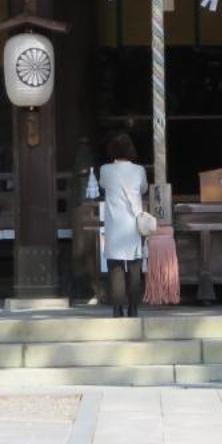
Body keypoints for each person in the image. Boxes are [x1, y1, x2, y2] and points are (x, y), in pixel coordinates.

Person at [97, 131, 149, 318]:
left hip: (114, 225)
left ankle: (117, 308)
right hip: (133, 224)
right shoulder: (139, 170)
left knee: (116, 268)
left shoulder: (105, 170)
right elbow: (143, 189)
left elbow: (102, 185)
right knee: (135, 267)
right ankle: (133, 308)